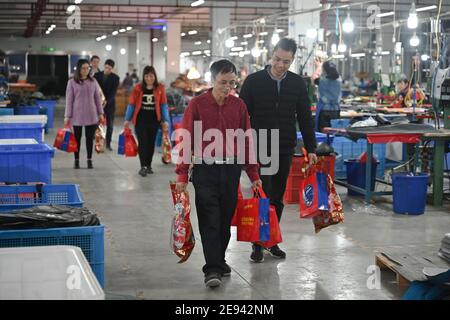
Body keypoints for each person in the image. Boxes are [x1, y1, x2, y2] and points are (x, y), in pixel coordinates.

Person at [175, 59, 262, 287]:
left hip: (231, 170)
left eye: (232, 83)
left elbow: (247, 141)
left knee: (224, 221)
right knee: (210, 220)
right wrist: (182, 174)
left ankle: (219, 259)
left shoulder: (239, 106)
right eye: (223, 82)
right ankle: (212, 269)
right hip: (205, 170)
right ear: (212, 80)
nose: (227, 87)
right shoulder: (197, 104)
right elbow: (185, 139)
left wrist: (254, 174)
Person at [239, 38, 317, 263]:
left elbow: (305, 117)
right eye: (277, 59)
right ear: (271, 55)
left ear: (292, 60)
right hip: (260, 145)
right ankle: (258, 243)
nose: (280, 65)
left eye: (286, 61)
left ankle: (271, 240)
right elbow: (242, 117)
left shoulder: (297, 84)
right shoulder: (253, 82)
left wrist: (311, 148)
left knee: (277, 197)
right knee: (262, 195)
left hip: (284, 146)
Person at [124, 66, 169, 176]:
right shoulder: (138, 88)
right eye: (147, 76)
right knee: (143, 143)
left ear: (155, 76)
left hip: (154, 121)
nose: (149, 78)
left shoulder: (160, 88)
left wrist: (165, 120)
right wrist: (127, 119)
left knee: (150, 144)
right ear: (143, 77)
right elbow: (132, 104)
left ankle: (148, 165)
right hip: (140, 121)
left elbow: (163, 105)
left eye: (151, 76)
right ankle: (143, 166)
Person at [64, 59, 104, 169]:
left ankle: (89, 159)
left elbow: (97, 98)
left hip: (91, 114)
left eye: (88, 68)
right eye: (83, 68)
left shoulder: (93, 81)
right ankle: (76, 160)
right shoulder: (71, 82)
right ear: (79, 69)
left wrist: (100, 113)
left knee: (89, 138)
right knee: (77, 139)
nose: (86, 70)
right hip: (77, 114)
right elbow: (69, 100)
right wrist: (67, 116)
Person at [94, 59, 120, 150]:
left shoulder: (115, 78)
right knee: (98, 124)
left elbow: (113, 92)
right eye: (106, 67)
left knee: (110, 125)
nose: (107, 70)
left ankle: (108, 143)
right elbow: (94, 90)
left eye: (109, 68)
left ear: (112, 69)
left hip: (110, 105)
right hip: (98, 104)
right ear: (104, 66)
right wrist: (99, 102)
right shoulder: (97, 75)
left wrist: (106, 101)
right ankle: (98, 142)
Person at [311, 58, 342, 132]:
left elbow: (312, 79)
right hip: (336, 110)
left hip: (324, 110)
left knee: (323, 133)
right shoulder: (339, 79)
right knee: (334, 132)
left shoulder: (322, 80)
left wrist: (318, 66)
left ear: (324, 70)